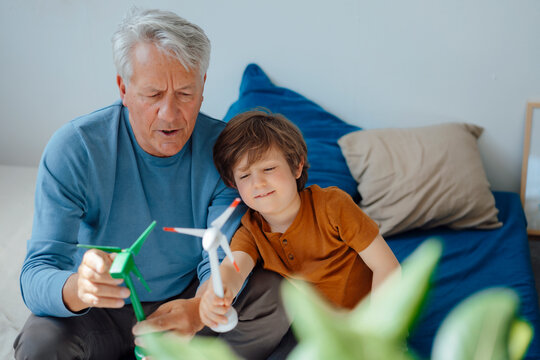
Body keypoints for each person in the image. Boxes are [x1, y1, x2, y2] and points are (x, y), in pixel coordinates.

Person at [14, 8, 289, 360]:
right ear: (123, 88)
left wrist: (196, 310)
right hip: (100, 308)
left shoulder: (226, 149)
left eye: (185, 94)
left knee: (275, 295)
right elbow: (38, 270)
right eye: (153, 94)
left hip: (190, 298)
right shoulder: (75, 148)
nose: (170, 114)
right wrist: (79, 289)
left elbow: (220, 260)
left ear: (203, 86)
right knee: (41, 343)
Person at [200, 110, 401, 328]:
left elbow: (387, 267)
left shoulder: (333, 205)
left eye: (268, 168)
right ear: (233, 184)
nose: (257, 183)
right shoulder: (250, 230)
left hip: (374, 324)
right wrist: (220, 291)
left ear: (296, 166)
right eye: (245, 175)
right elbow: (233, 268)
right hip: (320, 336)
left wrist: (378, 329)